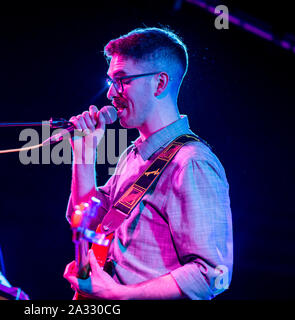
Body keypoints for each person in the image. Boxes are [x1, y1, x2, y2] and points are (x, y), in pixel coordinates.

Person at [63, 27, 233, 300]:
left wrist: (120, 294)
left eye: (122, 80)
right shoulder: (133, 155)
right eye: (111, 81)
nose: (111, 94)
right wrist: (84, 156)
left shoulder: (192, 163)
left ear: (160, 83)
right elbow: (87, 222)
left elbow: (212, 275)